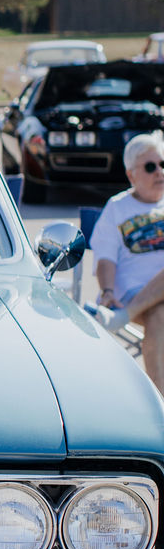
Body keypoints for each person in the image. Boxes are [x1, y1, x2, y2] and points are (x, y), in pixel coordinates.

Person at [92, 131, 164, 392]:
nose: (159, 172)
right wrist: (107, 291)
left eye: (162, 164)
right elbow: (105, 256)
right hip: (133, 293)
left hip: (133, 308)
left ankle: (124, 316)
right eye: (150, 167)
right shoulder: (117, 207)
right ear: (131, 175)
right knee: (159, 314)